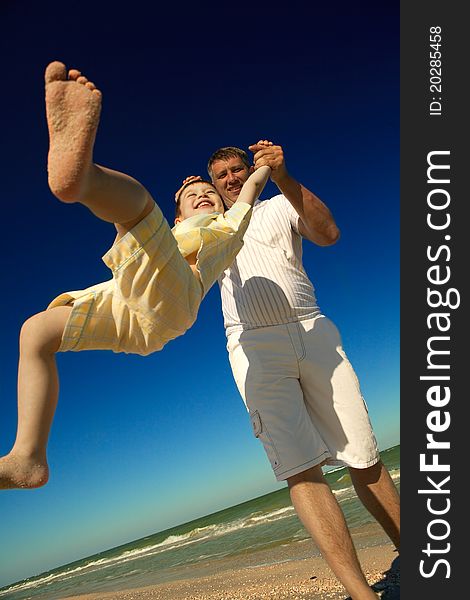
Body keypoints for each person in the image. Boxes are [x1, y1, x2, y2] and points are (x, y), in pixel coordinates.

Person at [0, 62, 270, 491]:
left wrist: (262, 168)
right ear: (179, 211)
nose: (204, 198)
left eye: (210, 197)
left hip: (175, 290)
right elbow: (160, 230)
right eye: (192, 197)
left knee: (139, 207)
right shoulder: (176, 227)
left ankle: (81, 181)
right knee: (35, 332)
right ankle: (27, 458)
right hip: (132, 310)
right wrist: (179, 205)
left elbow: (249, 191)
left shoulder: (226, 226)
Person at [184, 142, 400, 599]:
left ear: (251, 169)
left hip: (313, 329)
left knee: (364, 454)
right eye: (219, 174)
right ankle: (362, 594)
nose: (230, 178)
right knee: (301, 469)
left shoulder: (280, 204)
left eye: (236, 169)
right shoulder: (208, 230)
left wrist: (283, 175)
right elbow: (174, 263)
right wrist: (187, 215)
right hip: (253, 345)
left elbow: (328, 233)